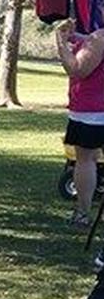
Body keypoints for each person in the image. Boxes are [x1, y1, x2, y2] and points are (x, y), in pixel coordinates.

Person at [58, 18, 104, 229]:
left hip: (92, 110)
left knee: (85, 159)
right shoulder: (97, 38)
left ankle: (82, 213)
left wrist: (60, 43)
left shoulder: (100, 36)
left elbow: (77, 69)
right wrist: (76, 38)